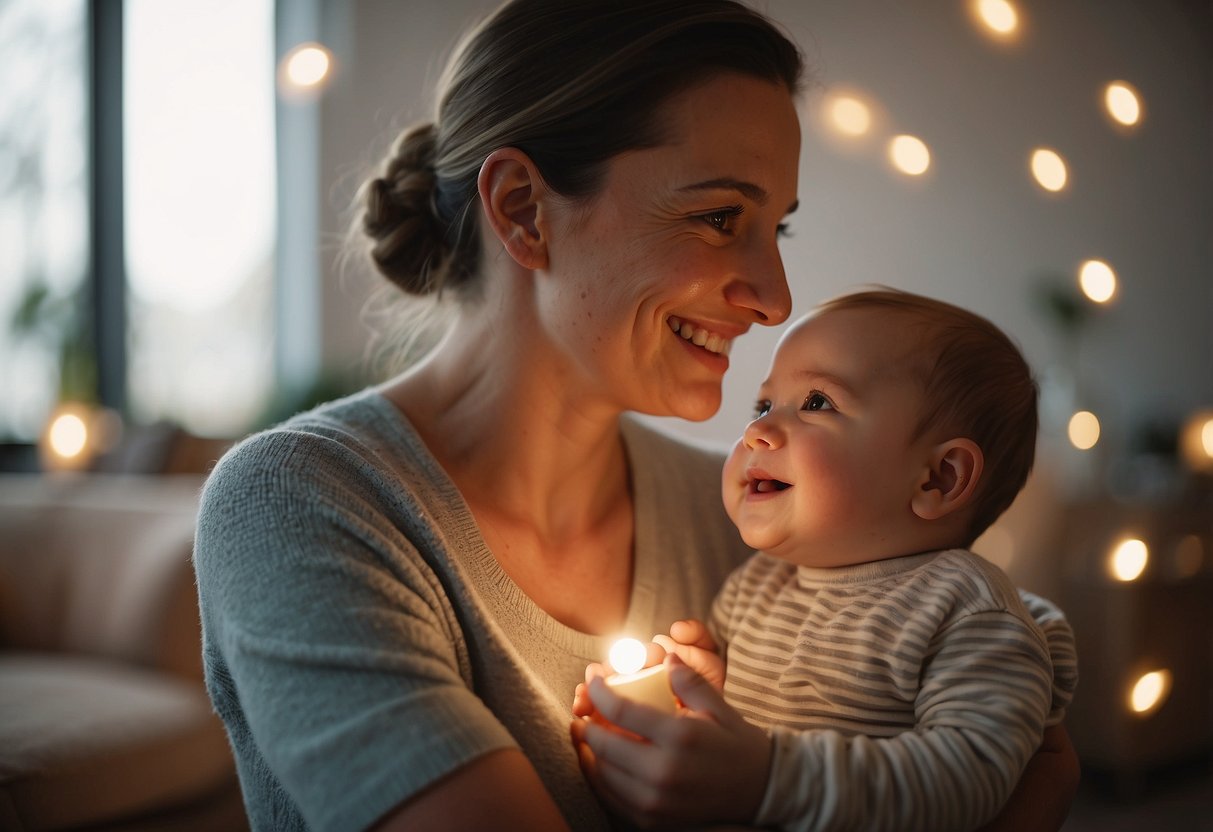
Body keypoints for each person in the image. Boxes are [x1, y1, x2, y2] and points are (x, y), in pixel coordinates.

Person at [191, 1, 1079, 829]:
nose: (775, 300)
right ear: (522, 211)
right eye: (721, 215)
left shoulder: (754, 536)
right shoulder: (300, 506)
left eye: (778, 230)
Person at [574, 288, 1079, 831]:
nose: (756, 431)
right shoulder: (757, 585)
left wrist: (768, 780)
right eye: (764, 405)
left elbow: (967, 778)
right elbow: (761, 727)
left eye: (817, 403)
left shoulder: (968, 610)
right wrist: (711, 688)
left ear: (939, 478)